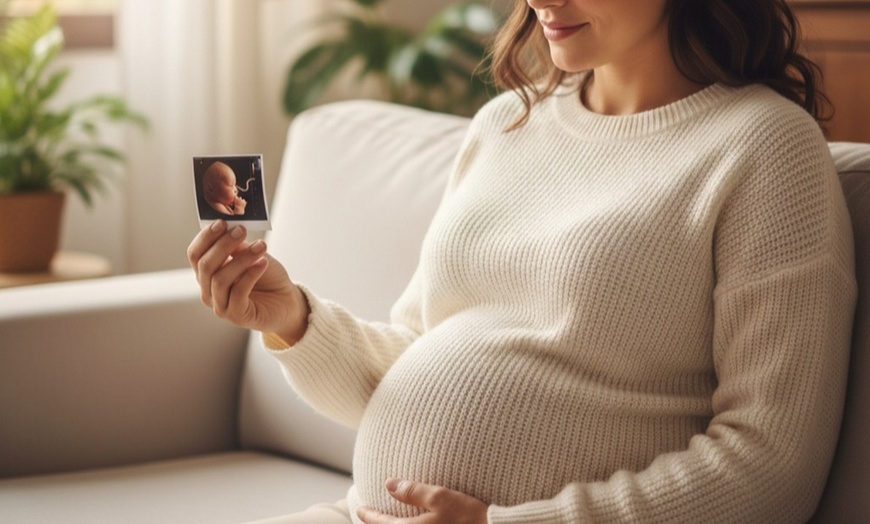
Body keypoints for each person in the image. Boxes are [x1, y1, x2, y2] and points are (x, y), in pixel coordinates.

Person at [187, 0, 857, 522]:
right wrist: (294, 320)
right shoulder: (506, 124)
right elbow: (414, 363)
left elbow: (772, 464)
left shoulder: (765, 148)